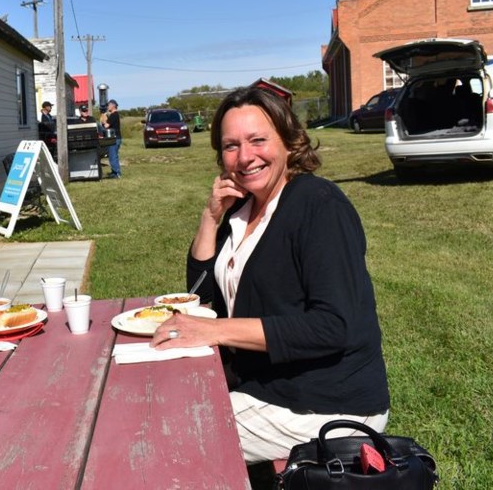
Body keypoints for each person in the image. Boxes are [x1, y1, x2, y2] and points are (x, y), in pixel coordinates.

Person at [151, 86, 389, 463]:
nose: (245, 157)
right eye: (231, 146)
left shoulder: (319, 206)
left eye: (258, 140)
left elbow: (332, 326)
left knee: (170, 433)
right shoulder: (242, 210)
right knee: (152, 400)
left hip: (324, 400)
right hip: (265, 384)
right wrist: (211, 217)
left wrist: (216, 331)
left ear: (289, 142)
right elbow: (199, 295)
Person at [100, 99, 121, 178]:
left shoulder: (113, 115)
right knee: (114, 155)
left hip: (114, 139)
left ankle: (116, 173)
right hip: (117, 138)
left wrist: (103, 116)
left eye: (109, 105)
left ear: (113, 106)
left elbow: (106, 126)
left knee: (112, 156)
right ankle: (115, 172)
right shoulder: (114, 115)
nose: (108, 106)